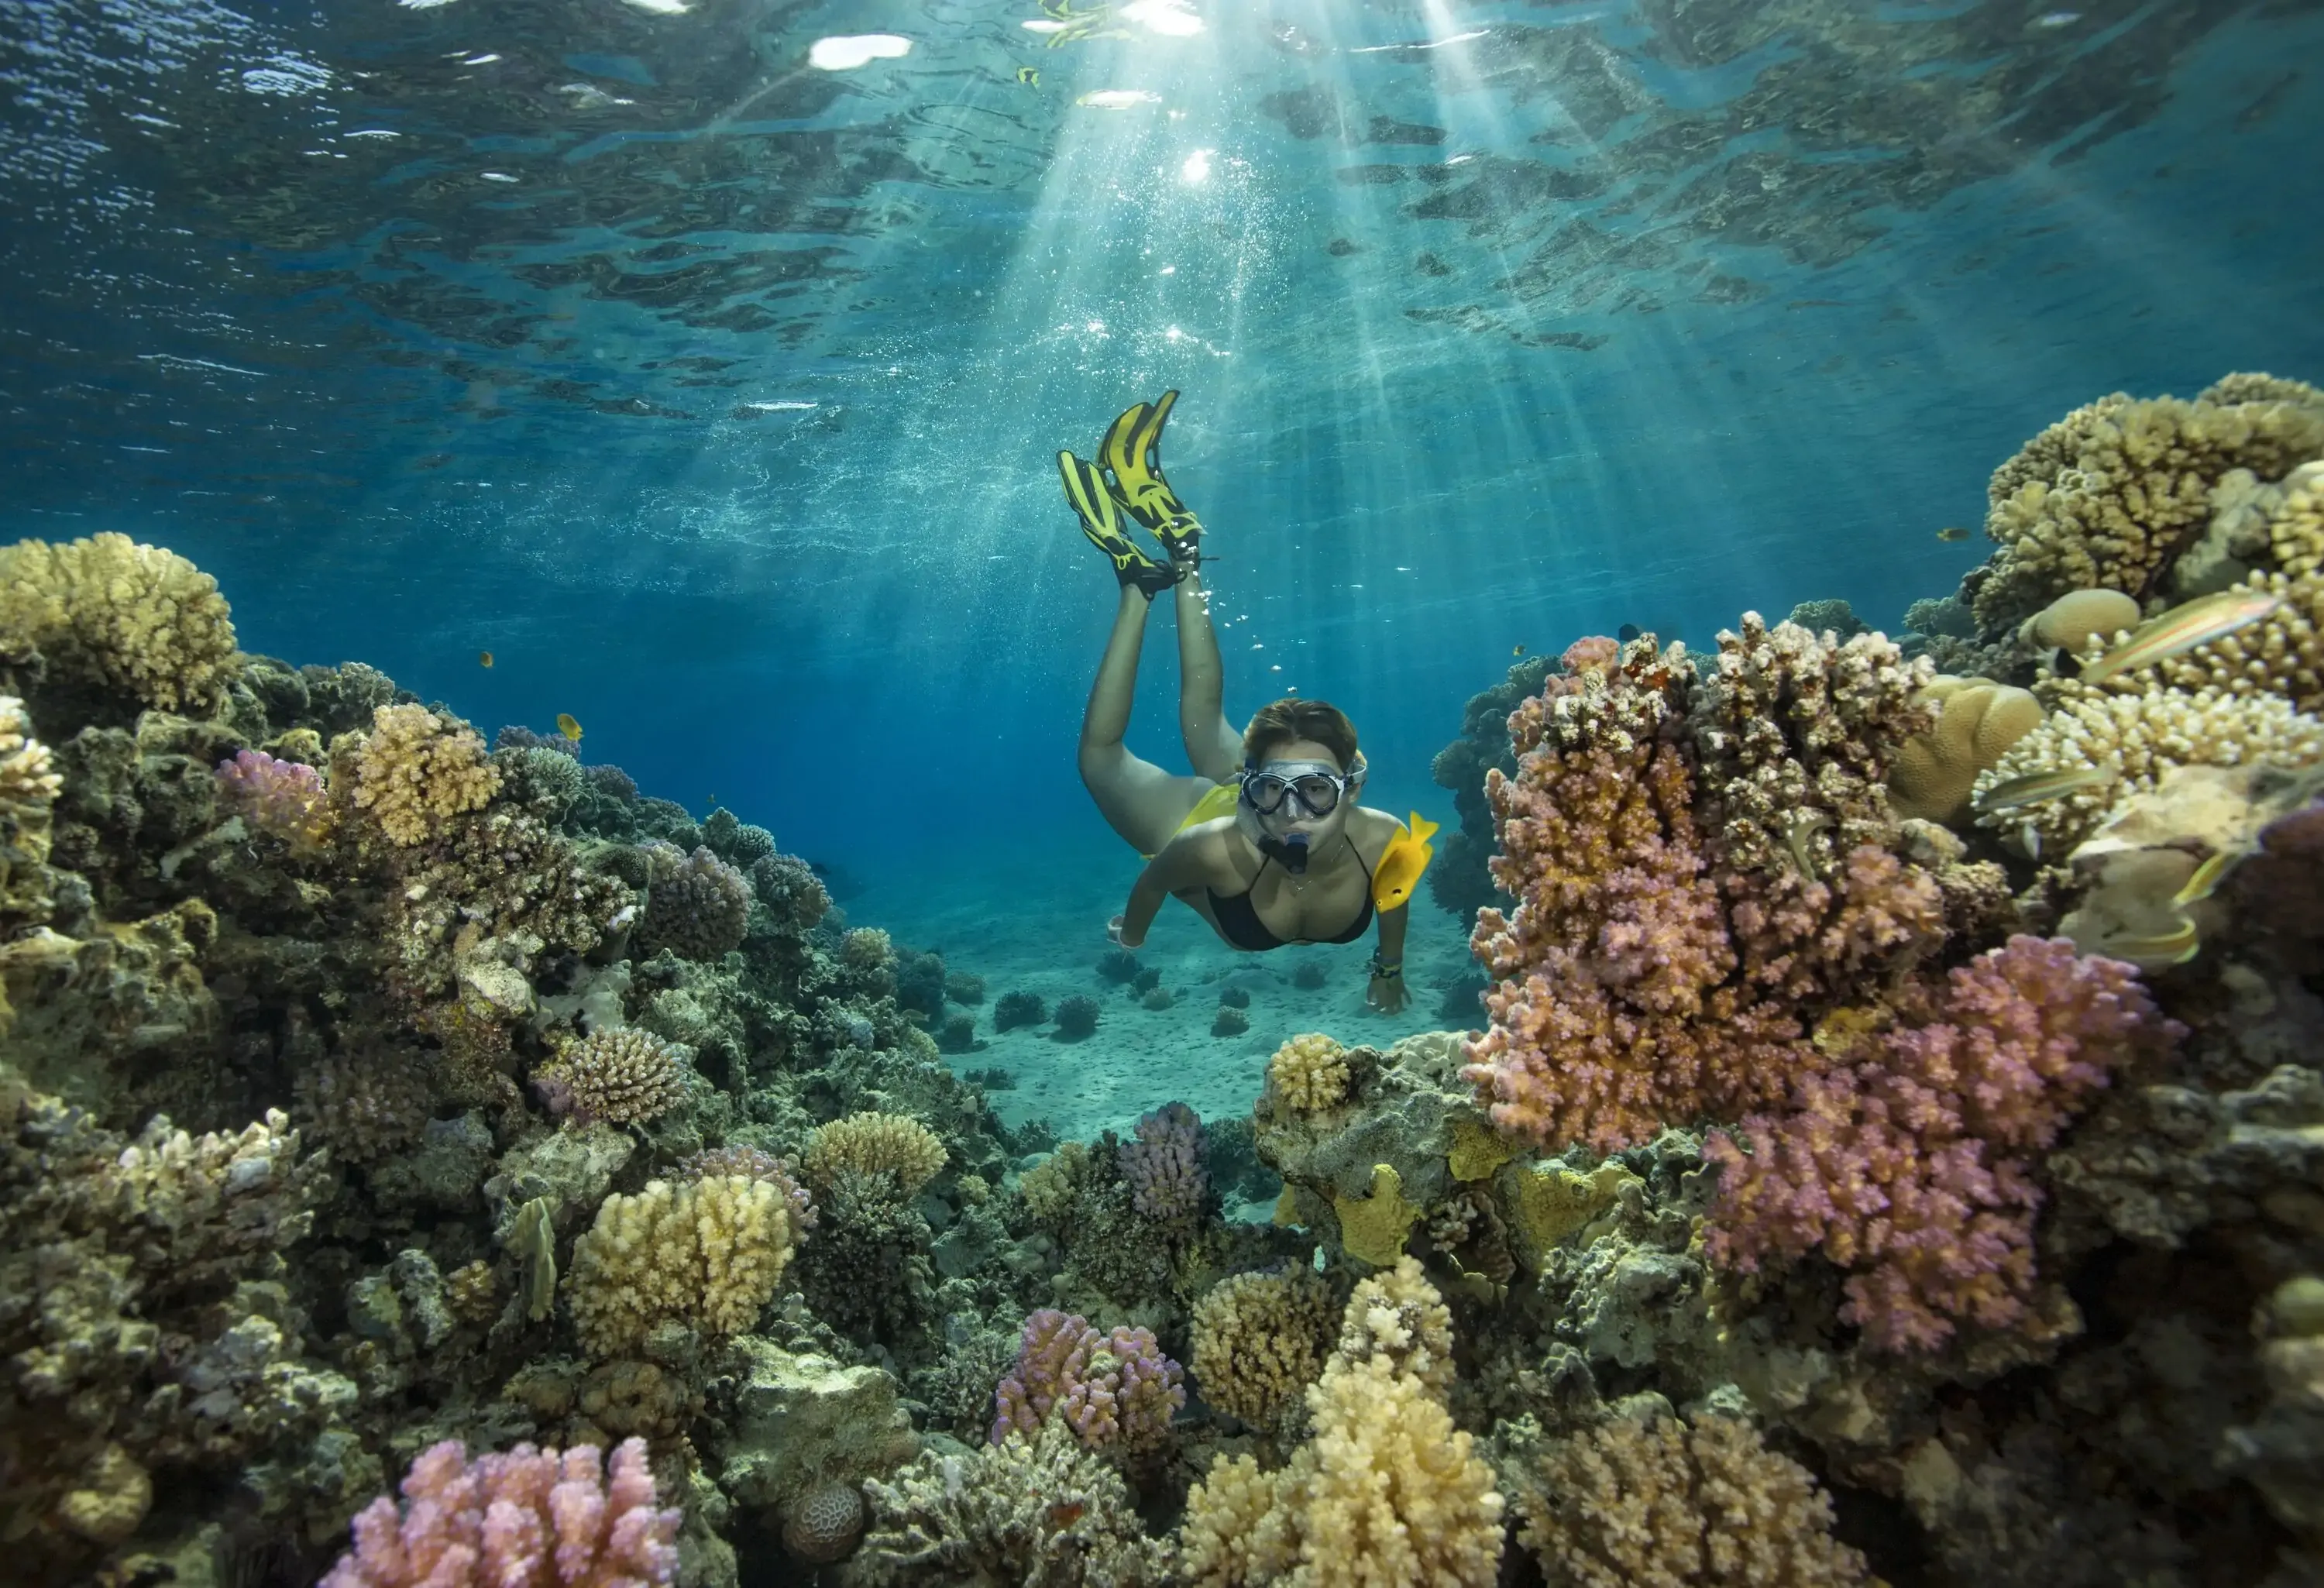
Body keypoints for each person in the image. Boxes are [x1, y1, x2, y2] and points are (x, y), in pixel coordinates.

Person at [1060, 391, 1409, 1014]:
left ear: (1351, 787)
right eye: (1276, 789)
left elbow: (1395, 895)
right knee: (1100, 760)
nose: (1293, 813)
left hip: (1242, 806)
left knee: (1200, 716)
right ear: (1251, 783)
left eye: (1318, 791)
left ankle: (1180, 563)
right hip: (1208, 817)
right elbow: (1154, 883)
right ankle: (1142, 590)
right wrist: (1133, 933)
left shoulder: (1384, 840)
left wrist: (1388, 967)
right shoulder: (1209, 846)